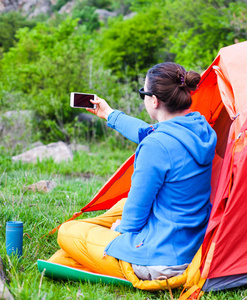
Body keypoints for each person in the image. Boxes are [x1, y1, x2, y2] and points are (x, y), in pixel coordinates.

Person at [48, 62, 217, 281]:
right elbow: (147, 133)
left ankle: (102, 236)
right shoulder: (199, 128)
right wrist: (109, 114)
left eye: (143, 93)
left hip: (158, 260)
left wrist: (122, 230)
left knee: (68, 232)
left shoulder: (156, 146)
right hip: (188, 245)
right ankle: (102, 232)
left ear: (154, 100)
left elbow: (137, 212)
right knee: (121, 205)